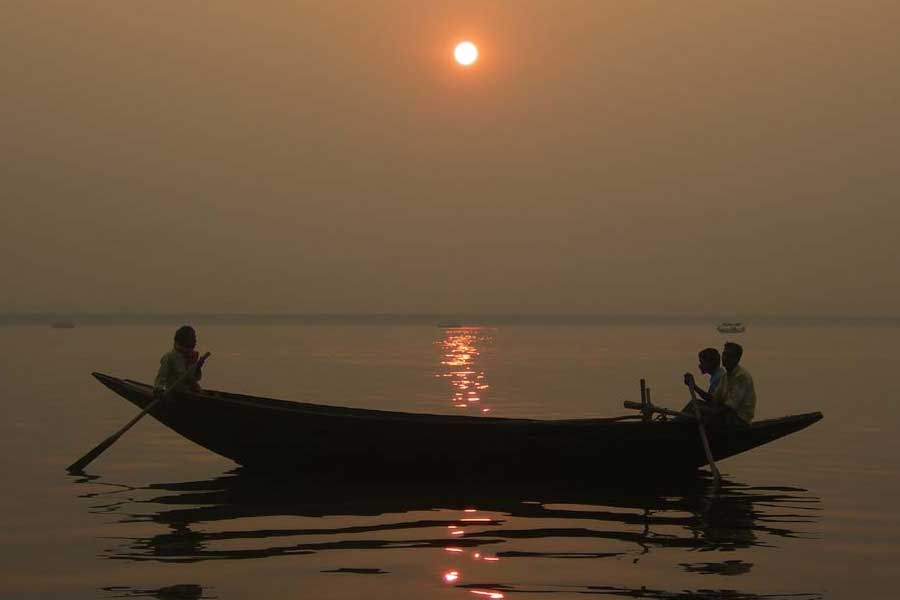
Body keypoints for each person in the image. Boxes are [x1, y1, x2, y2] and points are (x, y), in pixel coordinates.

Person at [153, 325, 209, 396]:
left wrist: (198, 367)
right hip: (175, 395)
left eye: (194, 337)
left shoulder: (191, 356)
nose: (195, 340)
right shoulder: (169, 357)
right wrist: (158, 391)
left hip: (191, 393)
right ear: (184, 340)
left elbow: (193, 378)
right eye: (192, 338)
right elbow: (161, 377)